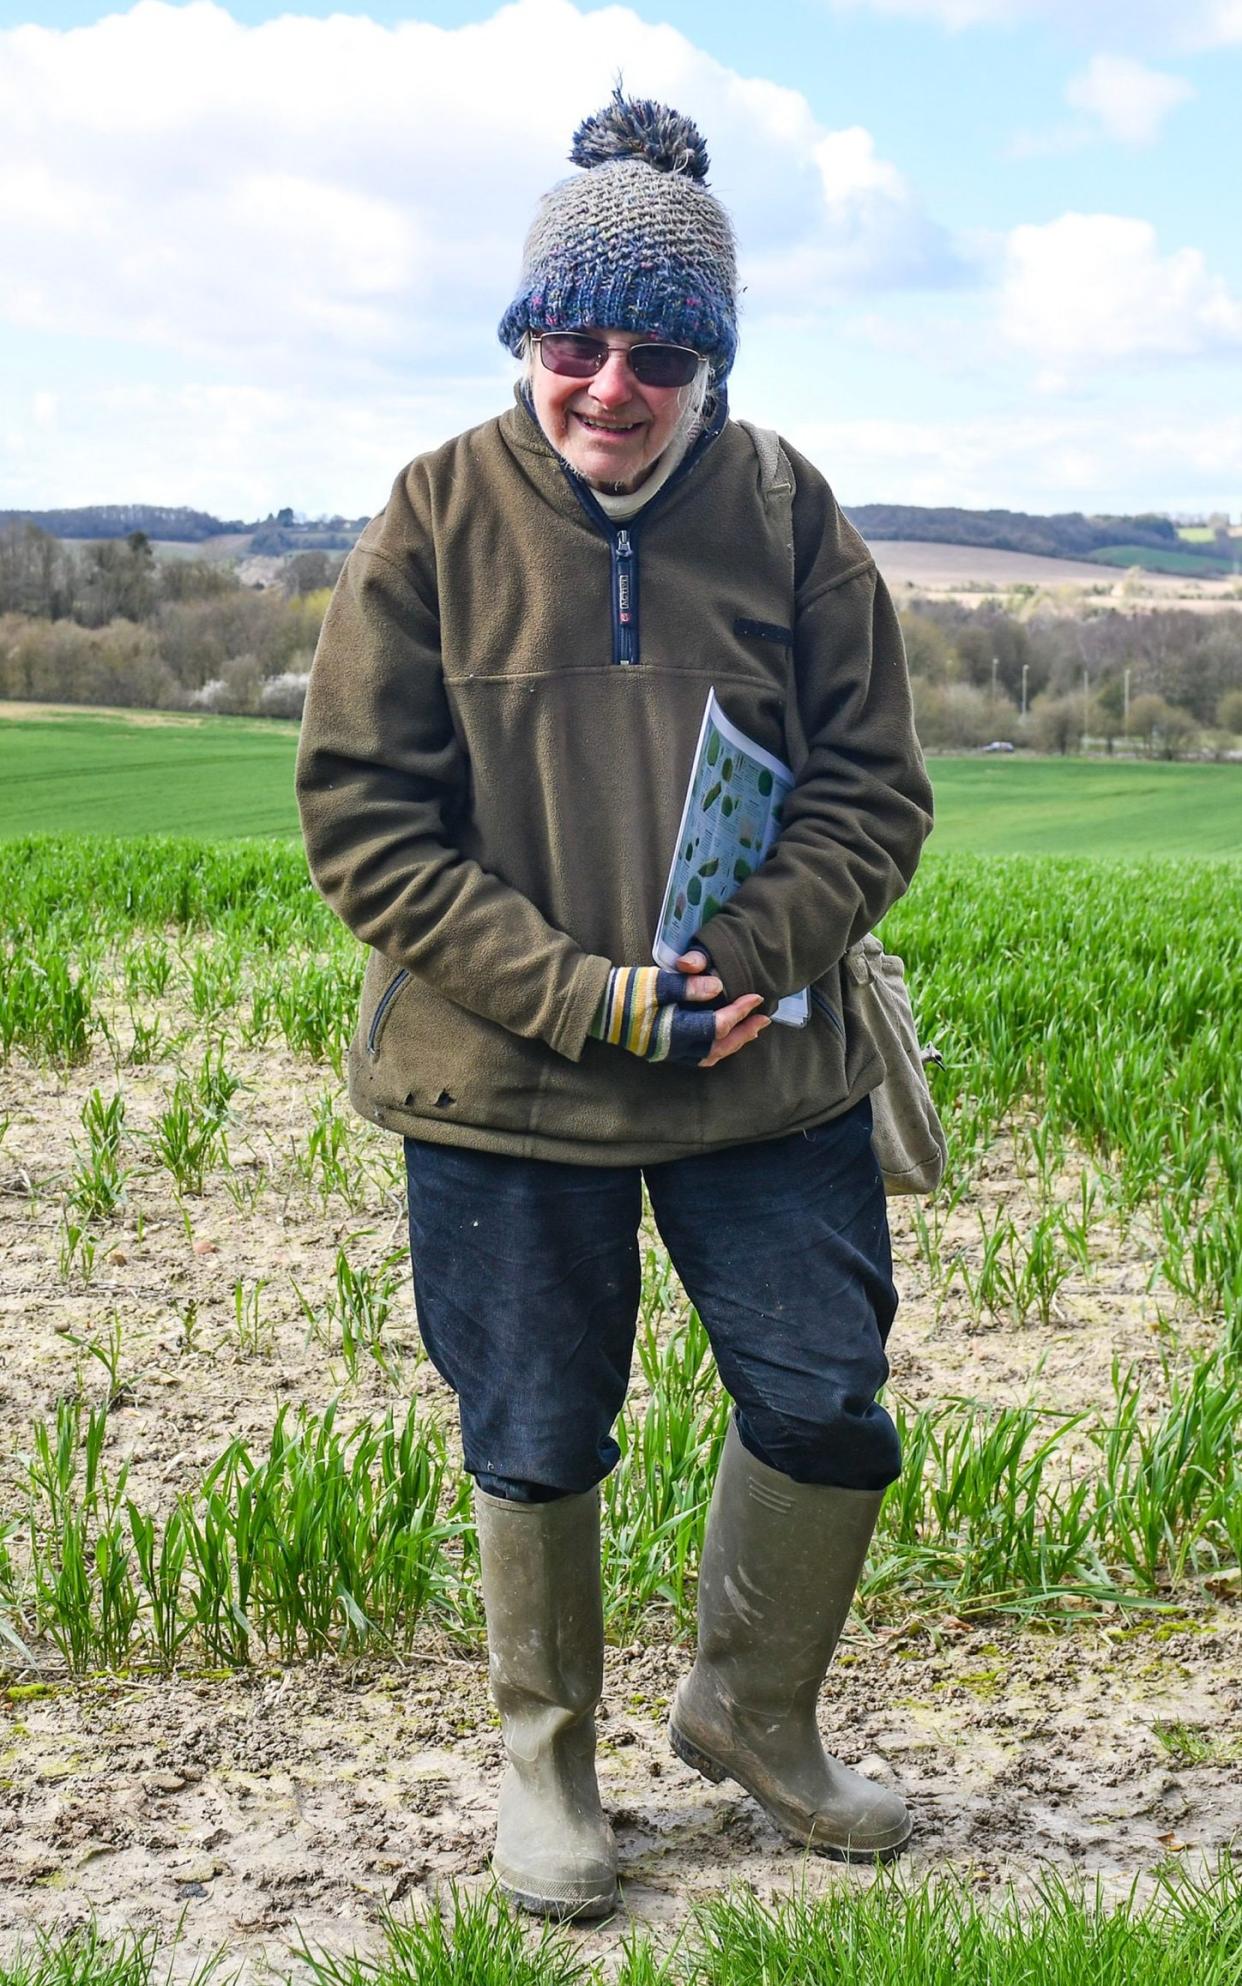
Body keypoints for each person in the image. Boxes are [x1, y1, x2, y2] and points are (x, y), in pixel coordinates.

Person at [296, 90, 934, 1920]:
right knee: (534, 1424)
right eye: (573, 344)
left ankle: (749, 1713)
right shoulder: (430, 516)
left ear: (711, 361)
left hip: (761, 1069)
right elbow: (365, 824)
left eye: (658, 352)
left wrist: (748, 960)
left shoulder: (792, 511)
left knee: (825, 1396)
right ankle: (548, 1765)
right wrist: (585, 996)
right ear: (524, 341)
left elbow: (873, 787)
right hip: (503, 1080)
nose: (610, 388)